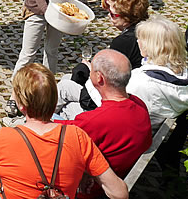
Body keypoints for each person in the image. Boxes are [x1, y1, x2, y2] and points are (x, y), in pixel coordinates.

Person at [0, 63, 128, 199]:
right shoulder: (77, 136)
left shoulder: (3, 137)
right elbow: (119, 193)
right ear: (54, 102)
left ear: (21, 105)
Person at [53, 50, 152, 199]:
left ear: (99, 78)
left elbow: (50, 131)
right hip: (118, 173)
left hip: (88, 189)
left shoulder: (94, 121)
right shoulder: (139, 104)